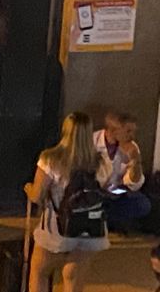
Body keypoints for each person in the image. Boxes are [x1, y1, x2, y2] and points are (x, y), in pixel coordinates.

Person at [24, 112, 113, 292]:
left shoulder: (50, 159)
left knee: (39, 272)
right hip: (91, 225)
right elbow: (106, 187)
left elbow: (38, 196)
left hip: (57, 227)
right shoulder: (100, 161)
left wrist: (28, 188)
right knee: (73, 276)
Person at [93, 111, 150, 231]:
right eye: (128, 131)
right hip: (94, 193)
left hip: (116, 194)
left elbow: (134, 184)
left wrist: (136, 160)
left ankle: (105, 219)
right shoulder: (93, 142)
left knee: (143, 204)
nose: (132, 136)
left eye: (134, 132)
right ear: (113, 131)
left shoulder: (131, 147)